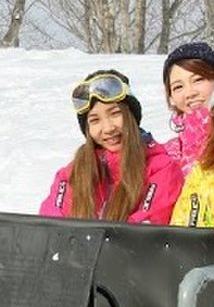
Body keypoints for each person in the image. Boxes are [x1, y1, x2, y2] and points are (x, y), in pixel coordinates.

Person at [39, 69, 182, 223]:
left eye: (114, 114)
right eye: (95, 120)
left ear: (131, 116)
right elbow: (52, 225)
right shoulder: (72, 174)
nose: (108, 128)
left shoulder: (160, 168)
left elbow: (146, 230)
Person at [160, 41, 214, 176]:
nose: (190, 93)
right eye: (178, 87)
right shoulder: (167, 154)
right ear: (170, 96)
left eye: (198, 79)